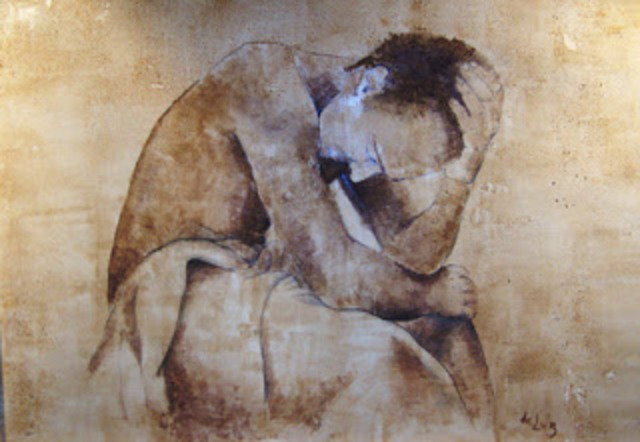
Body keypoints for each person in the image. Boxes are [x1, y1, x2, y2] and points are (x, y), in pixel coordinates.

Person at [89, 33, 503, 440]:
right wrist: (429, 293)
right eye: (374, 152)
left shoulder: (354, 116)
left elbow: (407, 262)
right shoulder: (265, 81)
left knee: (451, 331)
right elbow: (335, 275)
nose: (362, 173)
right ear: (369, 83)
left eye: (382, 169)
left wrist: (460, 179)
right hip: (177, 293)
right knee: (380, 358)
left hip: (254, 283)